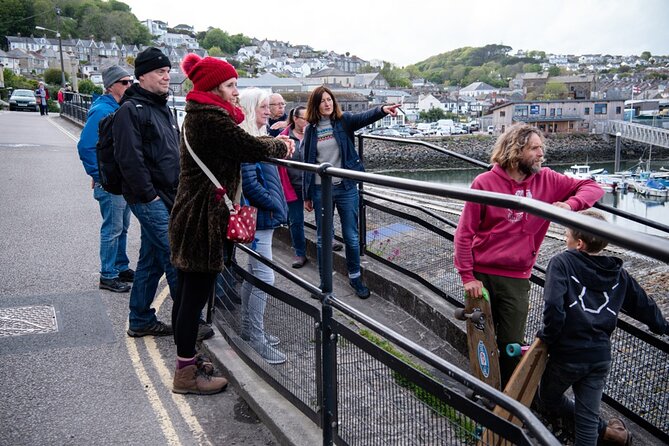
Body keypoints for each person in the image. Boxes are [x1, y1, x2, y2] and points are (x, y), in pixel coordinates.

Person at [169, 56, 293, 393]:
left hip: (193, 215)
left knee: (188, 294)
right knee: (192, 297)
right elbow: (248, 146)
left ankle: (189, 360)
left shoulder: (201, 115)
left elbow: (240, 144)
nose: (236, 92)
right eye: (230, 85)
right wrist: (281, 143)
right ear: (212, 88)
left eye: (236, 85)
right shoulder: (210, 119)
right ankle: (184, 374)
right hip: (201, 221)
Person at [453, 123, 605, 385]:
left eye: (541, 148)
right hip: (481, 274)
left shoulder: (547, 179)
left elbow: (593, 187)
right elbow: (465, 232)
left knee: (511, 343)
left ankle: (509, 402)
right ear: (516, 150)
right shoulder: (485, 182)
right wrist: (467, 276)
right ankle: (485, 391)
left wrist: (570, 204)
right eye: (535, 148)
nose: (540, 153)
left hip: (516, 277)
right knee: (481, 339)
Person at [537, 209, 668, 445]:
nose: (564, 236)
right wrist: (662, 327)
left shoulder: (562, 263)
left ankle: (604, 431)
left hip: (568, 353)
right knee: (587, 420)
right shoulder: (619, 274)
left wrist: (548, 336)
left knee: (547, 399)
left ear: (578, 243)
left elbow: (554, 307)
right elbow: (644, 305)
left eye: (567, 233)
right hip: (599, 355)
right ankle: (610, 433)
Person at [302, 85, 400, 299]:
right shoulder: (310, 130)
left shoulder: (343, 121)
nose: (327, 104)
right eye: (322, 101)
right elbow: (307, 163)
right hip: (321, 190)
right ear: (315, 105)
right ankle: (323, 283)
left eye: (329, 99)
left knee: (352, 237)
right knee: (322, 238)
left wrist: (383, 109)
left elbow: (364, 117)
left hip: (346, 188)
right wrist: (307, 195)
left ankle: (355, 278)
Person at [114, 47, 181, 338]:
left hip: (167, 194)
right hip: (150, 198)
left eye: (167, 71)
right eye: (160, 72)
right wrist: (149, 196)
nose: (166, 77)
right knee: (176, 257)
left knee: (150, 262)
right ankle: (189, 323)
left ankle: (140, 319)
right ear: (142, 76)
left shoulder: (161, 107)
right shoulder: (131, 110)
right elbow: (129, 159)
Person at [238, 88, 290, 364]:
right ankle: (256, 337)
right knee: (264, 277)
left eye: (269, 107)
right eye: (263, 108)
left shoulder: (259, 138)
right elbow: (250, 184)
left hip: (263, 217)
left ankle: (250, 330)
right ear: (250, 109)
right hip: (260, 218)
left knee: (255, 273)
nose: (268, 112)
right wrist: (275, 205)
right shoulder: (248, 140)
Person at [77, 65, 134, 293]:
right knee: (113, 229)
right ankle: (108, 275)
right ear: (111, 86)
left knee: (123, 227)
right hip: (112, 183)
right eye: (124, 82)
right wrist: (100, 175)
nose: (129, 85)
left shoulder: (117, 107)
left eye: (131, 82)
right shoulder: (103, 110)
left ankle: (120, 267)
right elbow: (85, 146)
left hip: (121, 182)